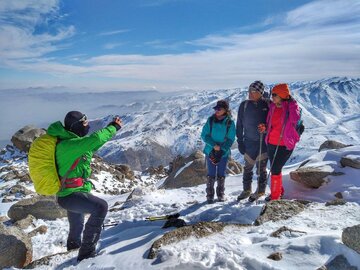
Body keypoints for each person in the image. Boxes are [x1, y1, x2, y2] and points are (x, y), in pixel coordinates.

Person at [47, 111, 122, 261]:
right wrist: (113, 127)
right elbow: (95, 138)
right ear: (77, 126)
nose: (88, 126)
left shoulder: (74, 143)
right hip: (70, 195)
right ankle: (87, 253)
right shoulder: (70, 145)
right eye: (85, 123)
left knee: (77, 225)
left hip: (71, 193)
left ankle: (72, 251)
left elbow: (94, 143)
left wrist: (109, 129)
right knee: (101, 207)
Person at [265, 83, 301, 201]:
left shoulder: (291, 107)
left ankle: (275, 198)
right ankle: (279, 191)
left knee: (275, 169)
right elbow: (270, 123)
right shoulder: (273, 106)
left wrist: (291, 103)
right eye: (272, 94)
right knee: (276, 168)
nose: (272, 97)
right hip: (271, 142)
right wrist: (264, 127)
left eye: (275, 95)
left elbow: (295, 119)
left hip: (284, 144)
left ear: (282, 95)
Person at [236, 81, 269, 202]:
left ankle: (260, 190)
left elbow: (273, 122)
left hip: (263, 142)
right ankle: (246, 190)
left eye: (253, 91)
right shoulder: (244, 105)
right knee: (248, 167)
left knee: (261, 168)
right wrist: (240, 141)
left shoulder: (268, 104)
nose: (250, 93)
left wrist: (266, 126)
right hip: (248, 142)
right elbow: (239, 124)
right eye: (249, 90)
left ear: (260, 93)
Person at [201, 100, 236, 203]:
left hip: (223, 153)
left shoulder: (230, 123)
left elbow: (230, 139)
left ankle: (220, 194)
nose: (216, 110)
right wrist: (214, 145)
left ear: (225, 110)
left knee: (221, 174)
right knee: (211, 174)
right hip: (210, 151)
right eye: (215, 109)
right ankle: (210, 195)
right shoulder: (210, 120)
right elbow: (204, 135)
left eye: (219, 109)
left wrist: (222, 149)